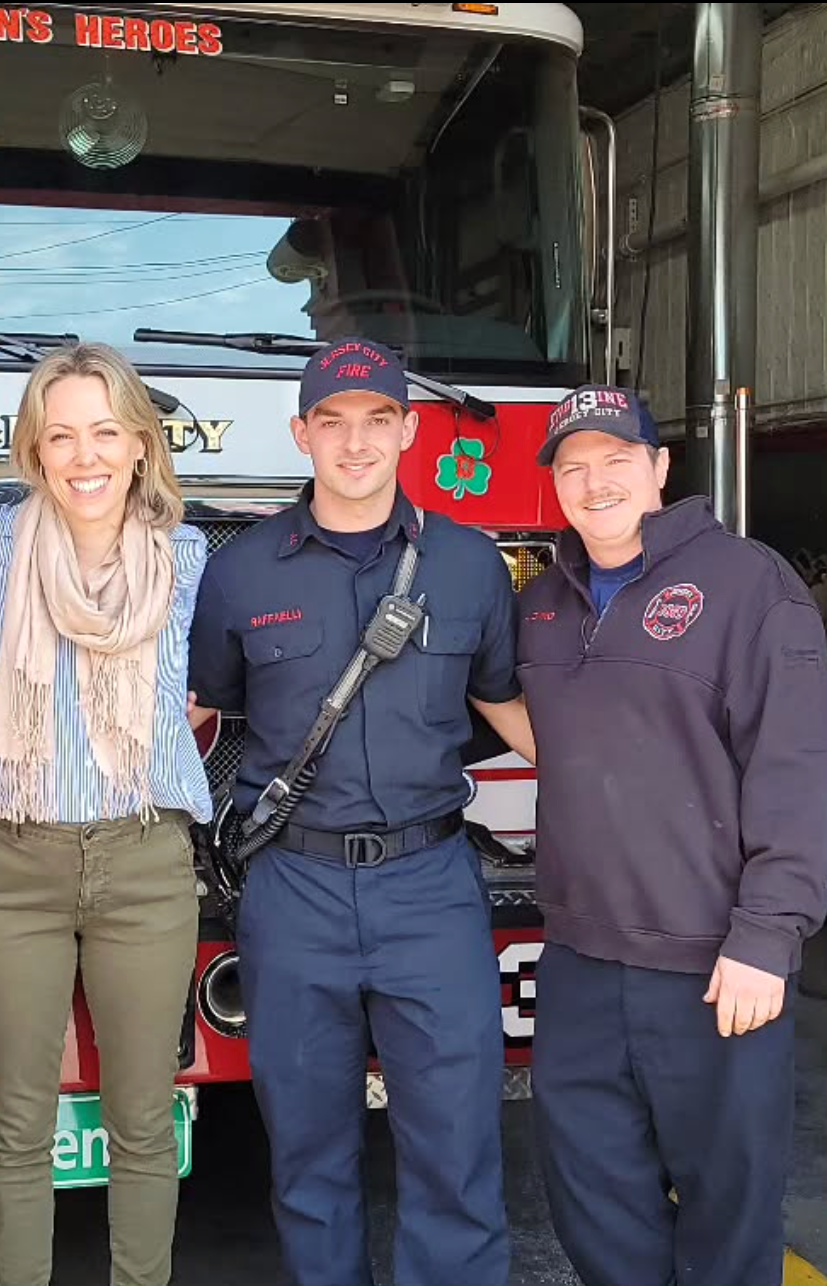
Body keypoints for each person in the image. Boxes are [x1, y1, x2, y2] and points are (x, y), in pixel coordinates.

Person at [188, 336, 533, 1286]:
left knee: (456, 1150)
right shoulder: (241, 571)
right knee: (308, 1158)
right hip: (293, 890)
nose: (354, 443)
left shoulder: (467, 566)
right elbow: (194, 717)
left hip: (430, 889)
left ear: (409, 430)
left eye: (376, 421)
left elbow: (513, 711)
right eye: (332, 423)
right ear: (301, 433)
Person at [516, 386, 827, 1286]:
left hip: (713, 965)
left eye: (617, 460)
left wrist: (769, 936)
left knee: (729, 1212)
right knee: (592, 1200)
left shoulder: (747, 585)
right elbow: (525, 716)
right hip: (579, 961)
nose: (595, 481)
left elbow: (797, 762)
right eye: (573, 467)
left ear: (659, 470)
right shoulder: (543, 605)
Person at [0, 344, 210, 1286]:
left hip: (144, 862)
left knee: (142, 1118)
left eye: (105, 431)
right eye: (59, 435)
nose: (83, 454)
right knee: (15, 1122)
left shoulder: (187, 556)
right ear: (34, 449)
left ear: (141, 443)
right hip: (13, 865)